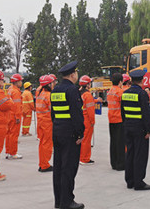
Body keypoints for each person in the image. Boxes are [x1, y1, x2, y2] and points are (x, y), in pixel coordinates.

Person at [51, 60, 85, 209]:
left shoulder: (55, 90)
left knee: (58, 167)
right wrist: (80, 133)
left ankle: (59, 201)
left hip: (58, 131)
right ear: (72, 75)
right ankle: (67, 201)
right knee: (69, 168)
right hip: (70, 134)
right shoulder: (72, 90)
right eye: (76, 73)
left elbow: (53, 114)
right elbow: (77, 114)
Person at [122, 69, 150, 191]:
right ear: (142, 80)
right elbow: (146, 114)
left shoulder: (125, 93)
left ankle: (130, 181)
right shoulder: (142, 94)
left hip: (128, 127)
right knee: (140, 155)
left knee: (130, 153)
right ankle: (138, 182)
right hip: (139, 129)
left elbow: (122, 112)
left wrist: (126, 125)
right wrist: (148, 130)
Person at [36, 75, 53, 172]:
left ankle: (42, 163)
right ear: (49, 84)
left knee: (42, 143)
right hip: (47, 122)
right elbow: (52, 110)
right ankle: (45, 165)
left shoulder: (40, 94)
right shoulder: (48, 95)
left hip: (41, 121)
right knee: (47, 144)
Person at [108, 73, 125, 171]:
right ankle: (120, 164)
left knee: (113, 142)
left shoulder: (110, 91)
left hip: (111, 119)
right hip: (119, 119)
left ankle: (113, 163)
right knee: (120, 142)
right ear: (120, 82)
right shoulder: (120, 92)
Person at [5, 73, 23, 159]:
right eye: (20, 81)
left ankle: (8, 151)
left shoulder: (10, 89)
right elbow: (17, 106)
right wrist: (18, 117)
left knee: (9, 134)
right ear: (16, 82)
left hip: (9, 115)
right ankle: (13, 153)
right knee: (14, 135)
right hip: (14, 116)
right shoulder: (16, 92)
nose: (21, 82)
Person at [79, 75, 95, 165]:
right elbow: (90, 110)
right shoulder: (88, 95)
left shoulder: (79, 93)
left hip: (80, 119)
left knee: (81, 139)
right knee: (86, 140)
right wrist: (92, 121)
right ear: (88, 84)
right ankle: (84, 158)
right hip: (87, 120)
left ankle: (81, 156)